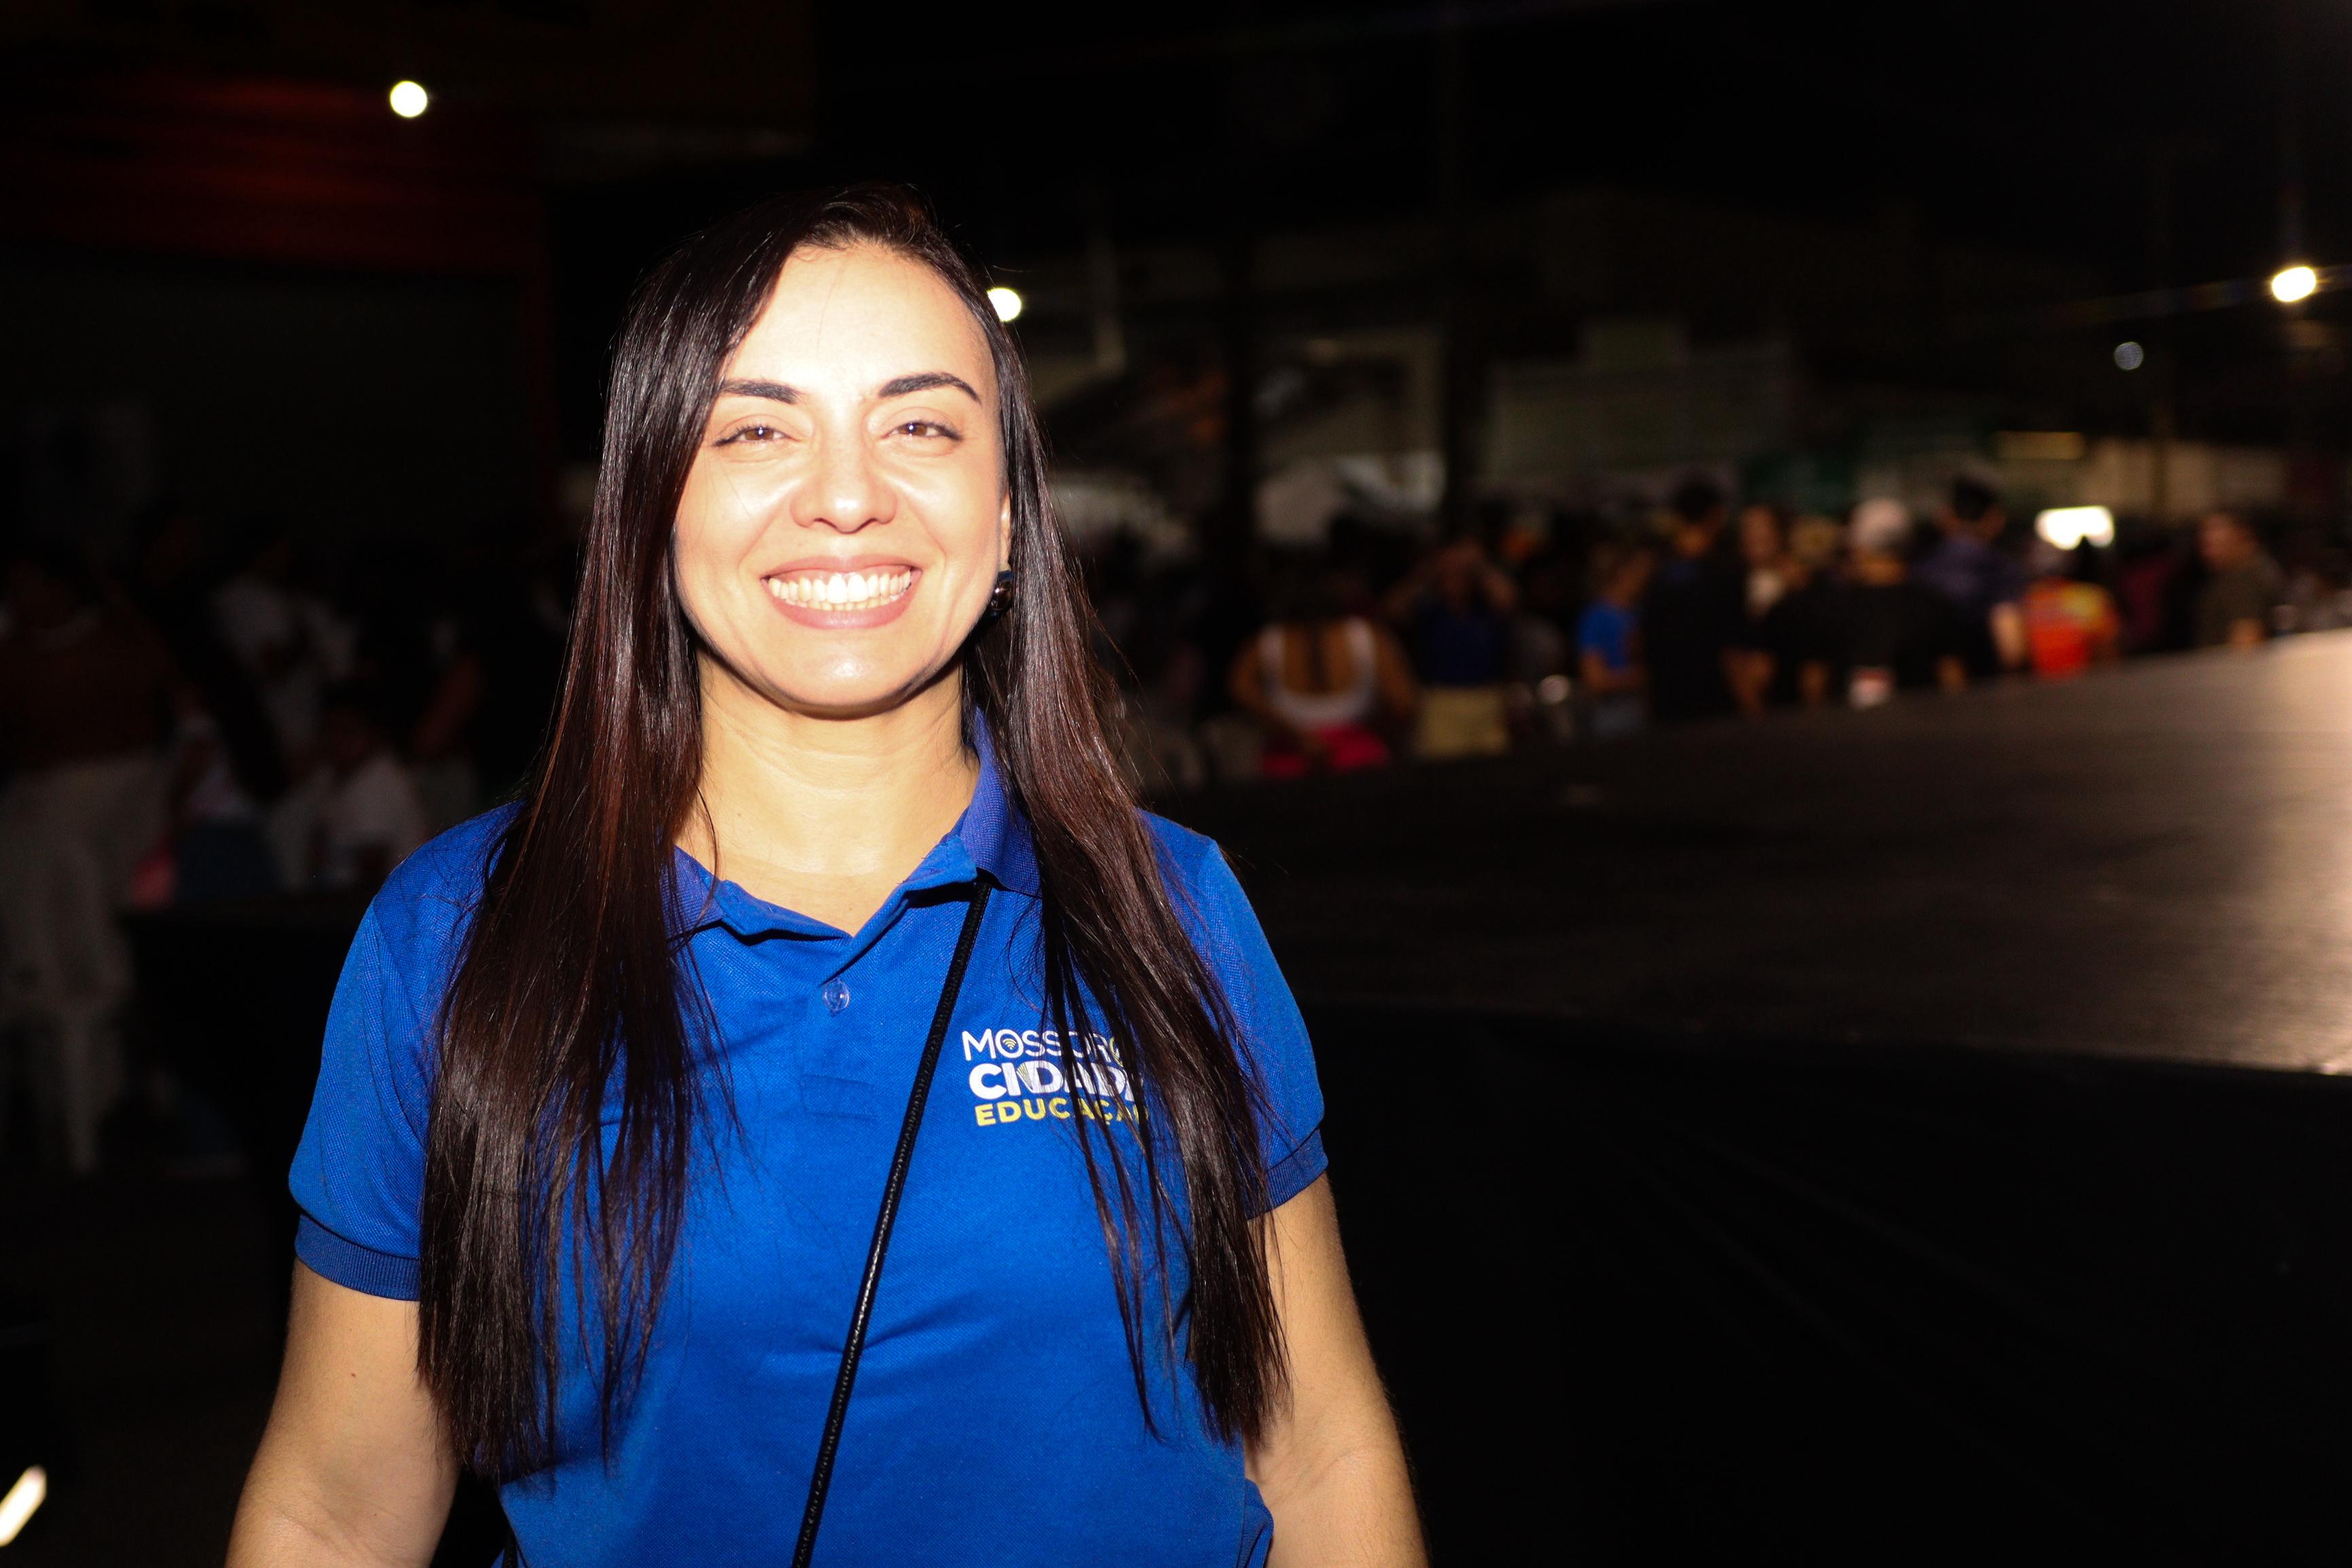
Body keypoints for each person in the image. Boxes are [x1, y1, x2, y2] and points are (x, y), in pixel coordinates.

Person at [230, 186, 1423, 1568]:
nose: (847, 496)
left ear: (1008, 513)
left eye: (920, 426)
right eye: (756, 429)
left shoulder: (1176, 907)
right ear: (651, 504)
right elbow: (334, 1510)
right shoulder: (456, 936)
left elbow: (1319, 1443)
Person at [0, 543, 175, 1171]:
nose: (20, 599)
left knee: (71, 869)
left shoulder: (115, 645)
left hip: (110, 802)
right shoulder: (15, 650)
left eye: (30, 584)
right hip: (42, 804)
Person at [1228, 559, 1416, 778]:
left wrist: (1295, 734)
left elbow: (1240, 689)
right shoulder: (1368, 637)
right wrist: (1368, 734)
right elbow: (1404, 703)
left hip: (1299, 763)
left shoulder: (1267, 643)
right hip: (1345, 763)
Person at [1383, 531, 1517, 759]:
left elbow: (1509, 600)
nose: (1456, 578)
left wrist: (1479, 566)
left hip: (1488, 700)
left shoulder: (1486, 607)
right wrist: (1429, 571)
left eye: (1463, 573)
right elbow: (1391, 610)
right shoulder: (1427, 606)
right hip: (1441, 703)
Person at [1833, 499, 1969, 706]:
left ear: (1860, 547)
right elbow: (1953, 680)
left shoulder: (1835, 607)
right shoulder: (1933, 604)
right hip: (1922, 723)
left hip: (1846, 726)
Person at [1640, 475, 1753, 721]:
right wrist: (1752, 709)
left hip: (1667, 706)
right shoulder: (1726, 571)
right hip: (1716, 705)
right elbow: (1733, 651)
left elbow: (1643, 643)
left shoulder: (1656, 573)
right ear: (1715, 515)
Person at [1915, 477, 2027, 676]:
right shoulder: (1998, 568)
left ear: (1945, 516)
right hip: (1984, 684)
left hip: (1927, 686)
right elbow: (2011, 648)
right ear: (1996, 519)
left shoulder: (1922, 567)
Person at [1575, 543, 1651, 738]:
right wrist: (1643, 678)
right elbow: (1595, 680)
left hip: (1646, 711)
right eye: (1639, 571)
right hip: (1614, 715)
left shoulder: (1640, 613)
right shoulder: (1596, 617)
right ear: (1622, 572)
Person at [2020, 542, 2121, 680]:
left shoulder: (2023, 602)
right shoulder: (2090, 597)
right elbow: (2108, 651)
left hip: (2081, 681)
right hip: (2052, 684)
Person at [2192, 511, 2283, 650]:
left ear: (2241, 534)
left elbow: (2246, 640)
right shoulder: (2255, 570)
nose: (2207, 544)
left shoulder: (2245, 577)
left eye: (2215, 531)